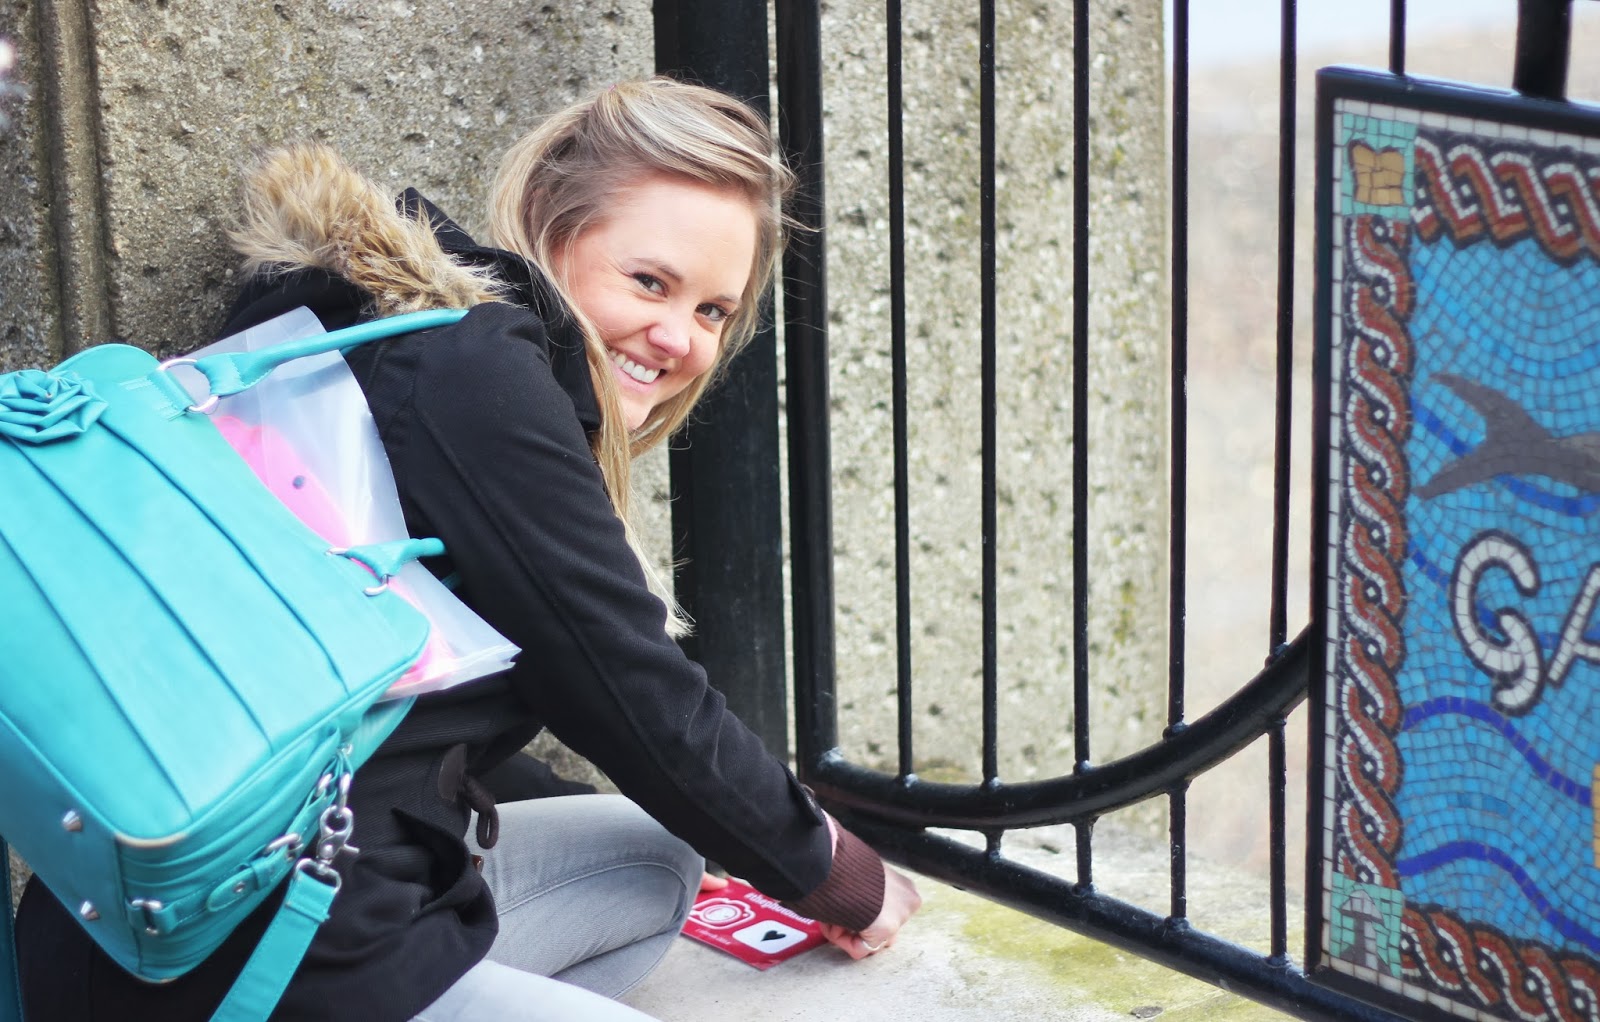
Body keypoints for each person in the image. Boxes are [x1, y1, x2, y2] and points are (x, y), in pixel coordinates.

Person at [13, 77, 920, 1021]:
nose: (677, 337)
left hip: (133, 920)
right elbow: (626, 684)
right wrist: (837, 872)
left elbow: (417, 710)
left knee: (655, 860)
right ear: (548, 223)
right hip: (274, 948)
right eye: (651, 282)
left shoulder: (357, 335)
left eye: (713, 312)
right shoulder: (474, 372)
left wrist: (726, 828)